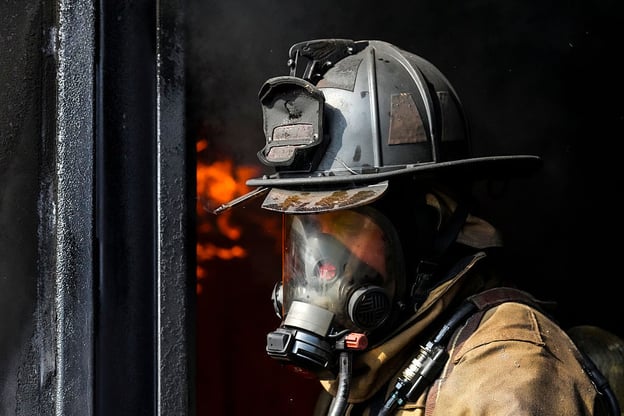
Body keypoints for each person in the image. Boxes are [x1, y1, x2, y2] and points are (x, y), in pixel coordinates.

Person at [215, 39, 620, 415]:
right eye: (308, 232)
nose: (320, 267)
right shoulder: (365, 370)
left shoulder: (508, 373)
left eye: (342, 224)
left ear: (428, 226)